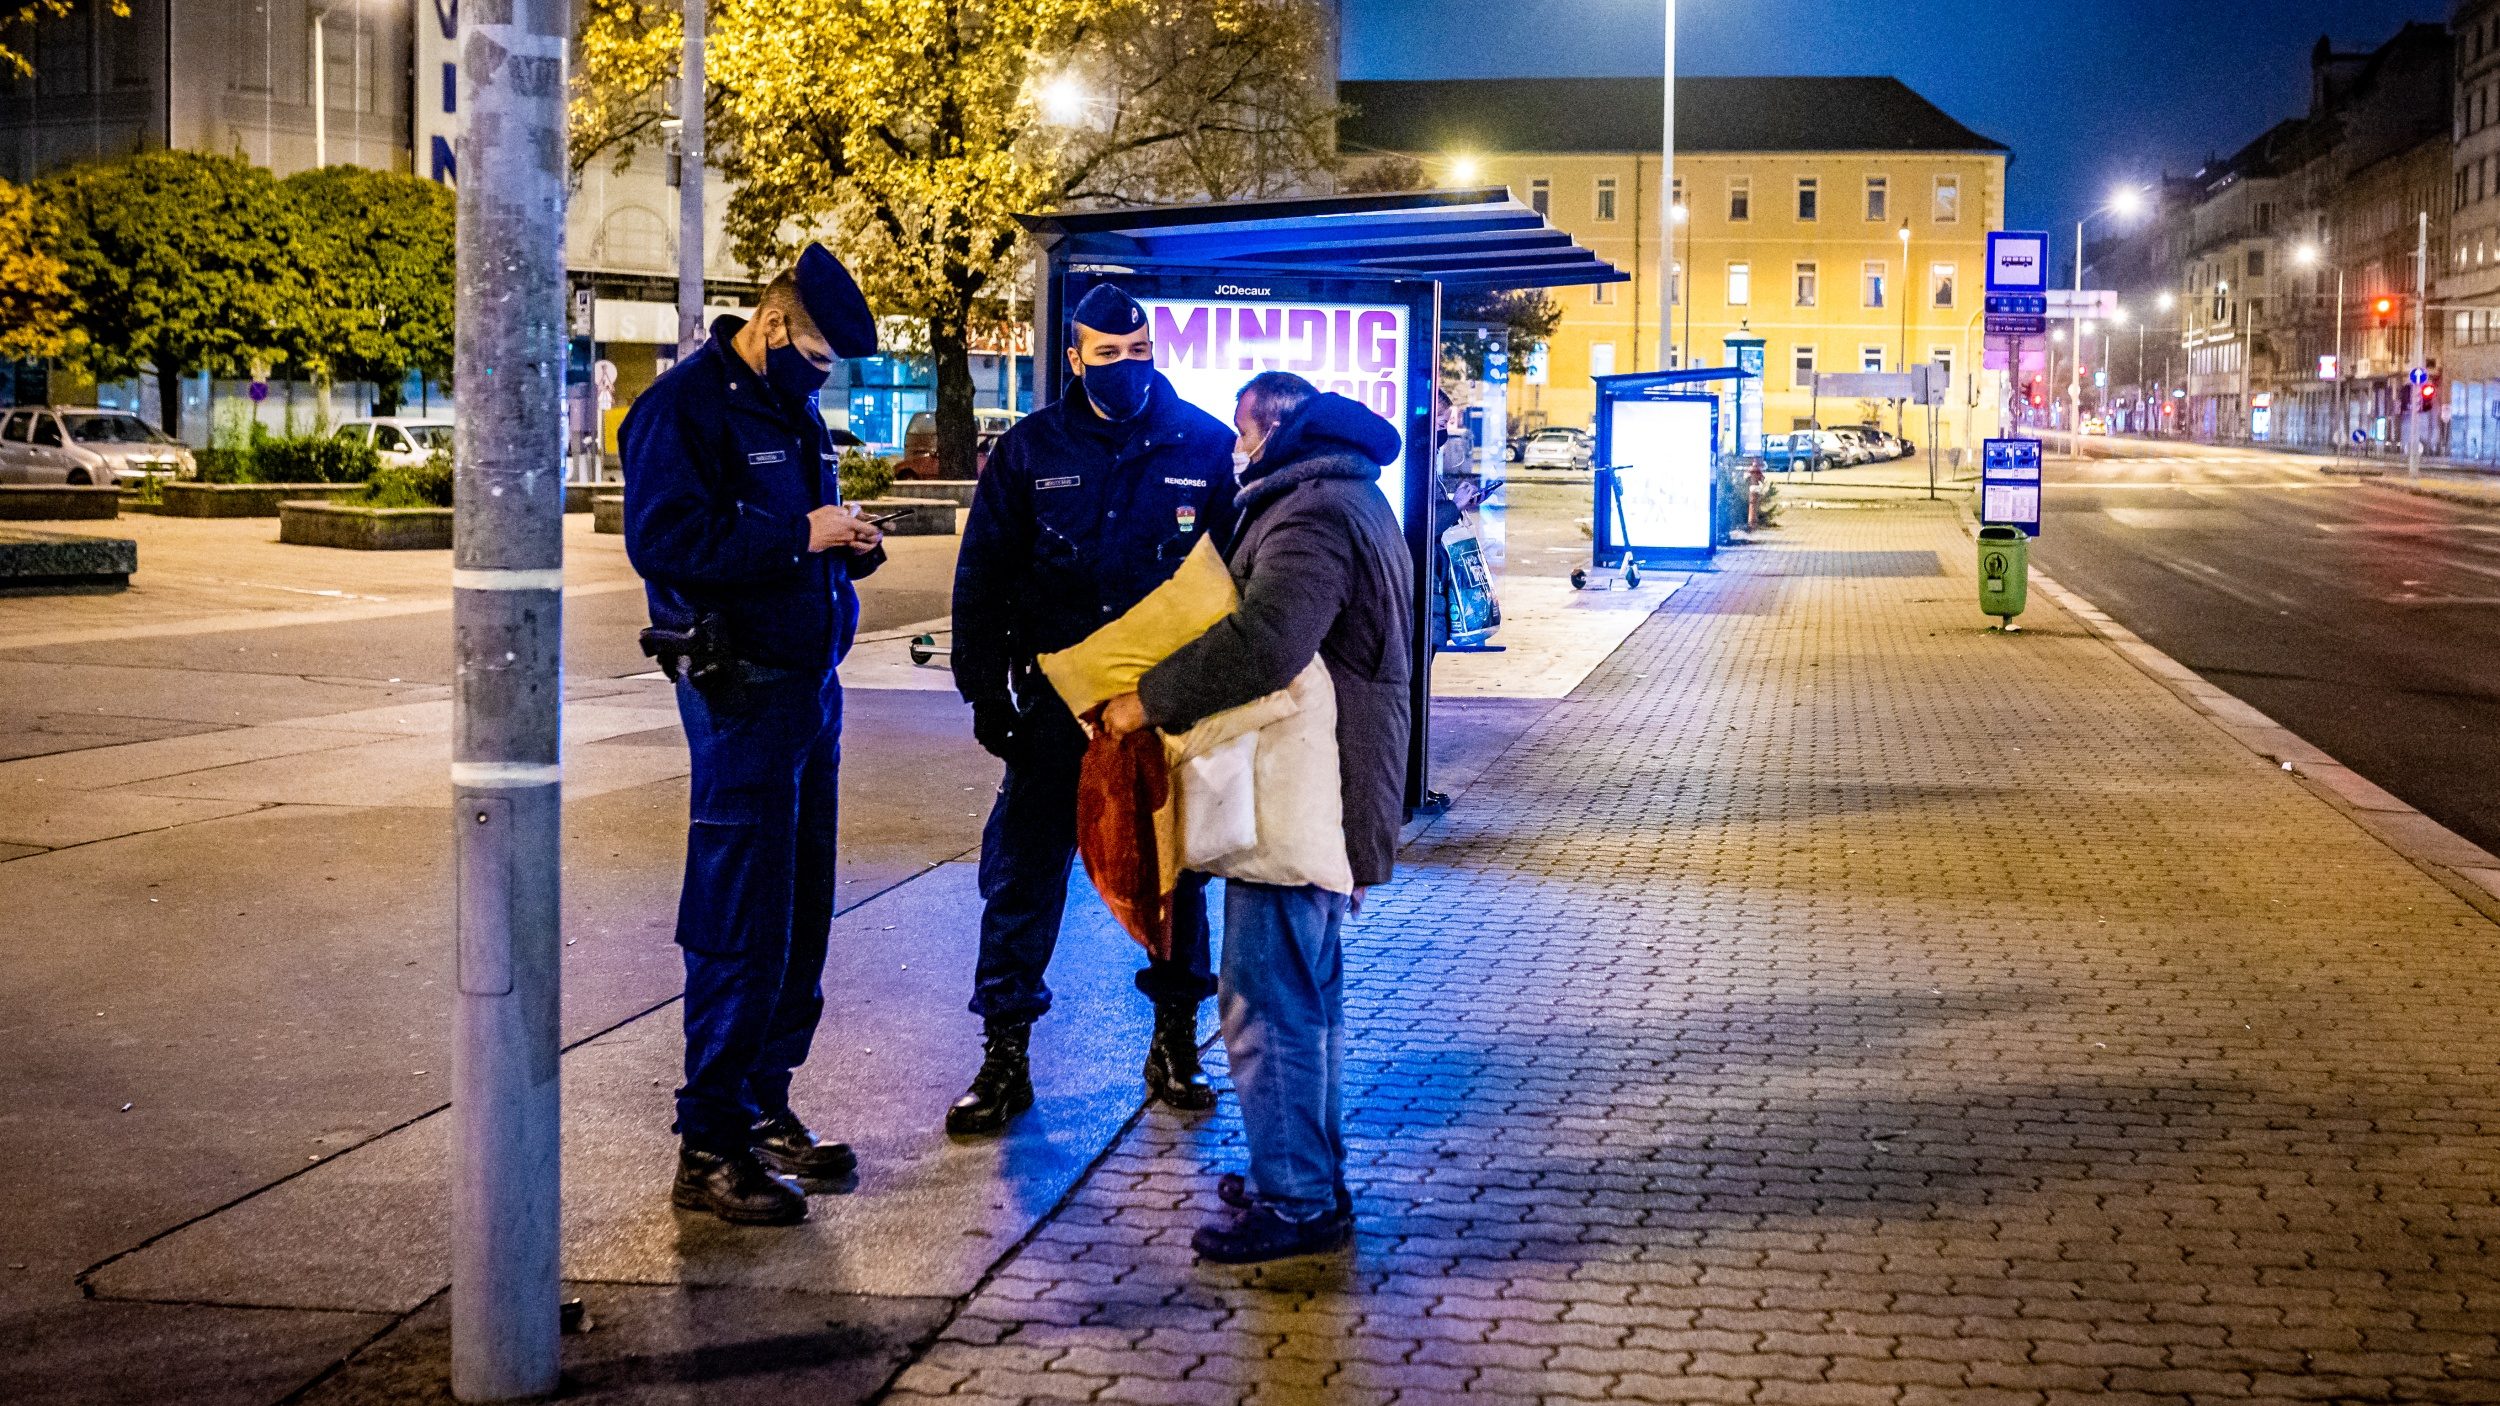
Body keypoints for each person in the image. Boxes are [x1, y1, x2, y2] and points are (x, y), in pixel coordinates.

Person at [1101, 371, 1415, 1264]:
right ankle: (1305, 1178)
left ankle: (1297, 1203)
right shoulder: (1349, 496)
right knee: (1304, 1003)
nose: (1235, 451)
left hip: (1296, 800)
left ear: (1275, 431)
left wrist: (1149, 699)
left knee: (1265, 1006)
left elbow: (1268, 641)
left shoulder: (1310, 513)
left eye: (1243, 435)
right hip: (1322, 798)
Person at [620, 245, 886, 1226]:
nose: (823, 372)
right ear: (773, 324)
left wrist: (843, 542)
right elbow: (665, 540)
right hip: (740, 691)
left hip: (807, 688)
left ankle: (763, 1101)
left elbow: (792, 530)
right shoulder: (683, 407)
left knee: (799, 914)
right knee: (740, 918)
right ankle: (710, 1144)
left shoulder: (788, 405)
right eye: (814, 351)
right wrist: (798, 538)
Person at [947, 283, 1240, 1135]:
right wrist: (984, 691)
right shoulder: (1030, 450)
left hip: (1159, 714)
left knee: (1173, 882)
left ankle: (1175, 1043)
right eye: (1106, 355)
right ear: (1073, 358)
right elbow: (984, 578)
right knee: (1020, 881)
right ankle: (1005, 1058)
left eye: (1139, 352)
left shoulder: (1204, 445)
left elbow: (1233, 584)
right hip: (1052, 716)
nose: (1125, 368)